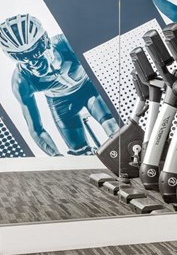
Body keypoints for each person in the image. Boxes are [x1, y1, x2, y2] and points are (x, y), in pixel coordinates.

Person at [0, 14, 118, 156]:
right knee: (81, 154)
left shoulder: (67, 44)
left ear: (46, 41)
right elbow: (36, 130)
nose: (32, 62)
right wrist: (56, 156)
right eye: (21, 57)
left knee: (114, 130)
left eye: (35, 52)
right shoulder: (21, 80)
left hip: (88, 88)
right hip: (61, 104)